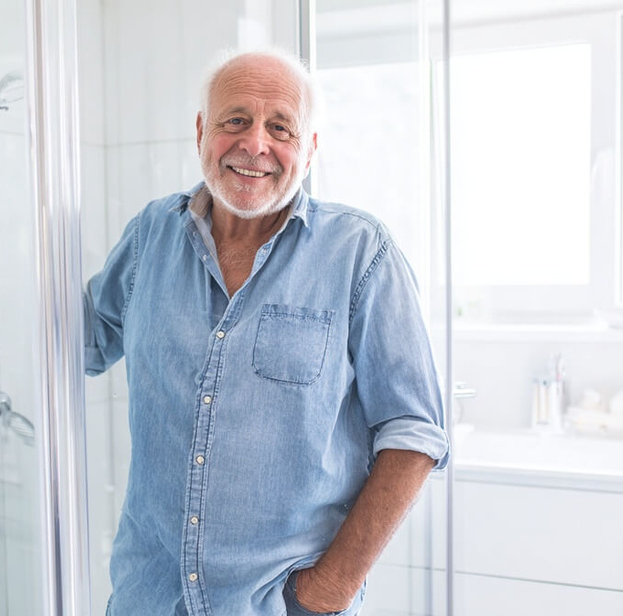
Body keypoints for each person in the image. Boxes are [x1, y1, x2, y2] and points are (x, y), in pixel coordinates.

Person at [84, 48, 449, 616]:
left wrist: (327, 592)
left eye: (280, 127)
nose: (255, 144)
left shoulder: (359, 253)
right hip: (147, 597)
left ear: (310, 150)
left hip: (278, 606)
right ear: (202, 131)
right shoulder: (149, 236)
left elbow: (415, 434)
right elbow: (76, 344)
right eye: (235, 121)